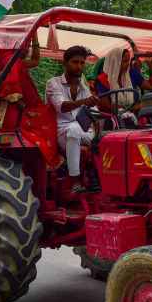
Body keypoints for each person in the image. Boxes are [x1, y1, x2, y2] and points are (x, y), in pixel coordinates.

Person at [46, 45, 99, 192]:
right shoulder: (53, 83)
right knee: (73, 130)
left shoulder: (84, 86)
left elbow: (94, 112)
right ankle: (75, 180)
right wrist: (84, 102)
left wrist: (96, 118)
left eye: (82, 63)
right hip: (61, 131)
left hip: (83, 130)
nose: (79, 66)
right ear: (65, 63)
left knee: (108, 138)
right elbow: (61, 106)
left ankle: (98, 177)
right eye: (75, 62)